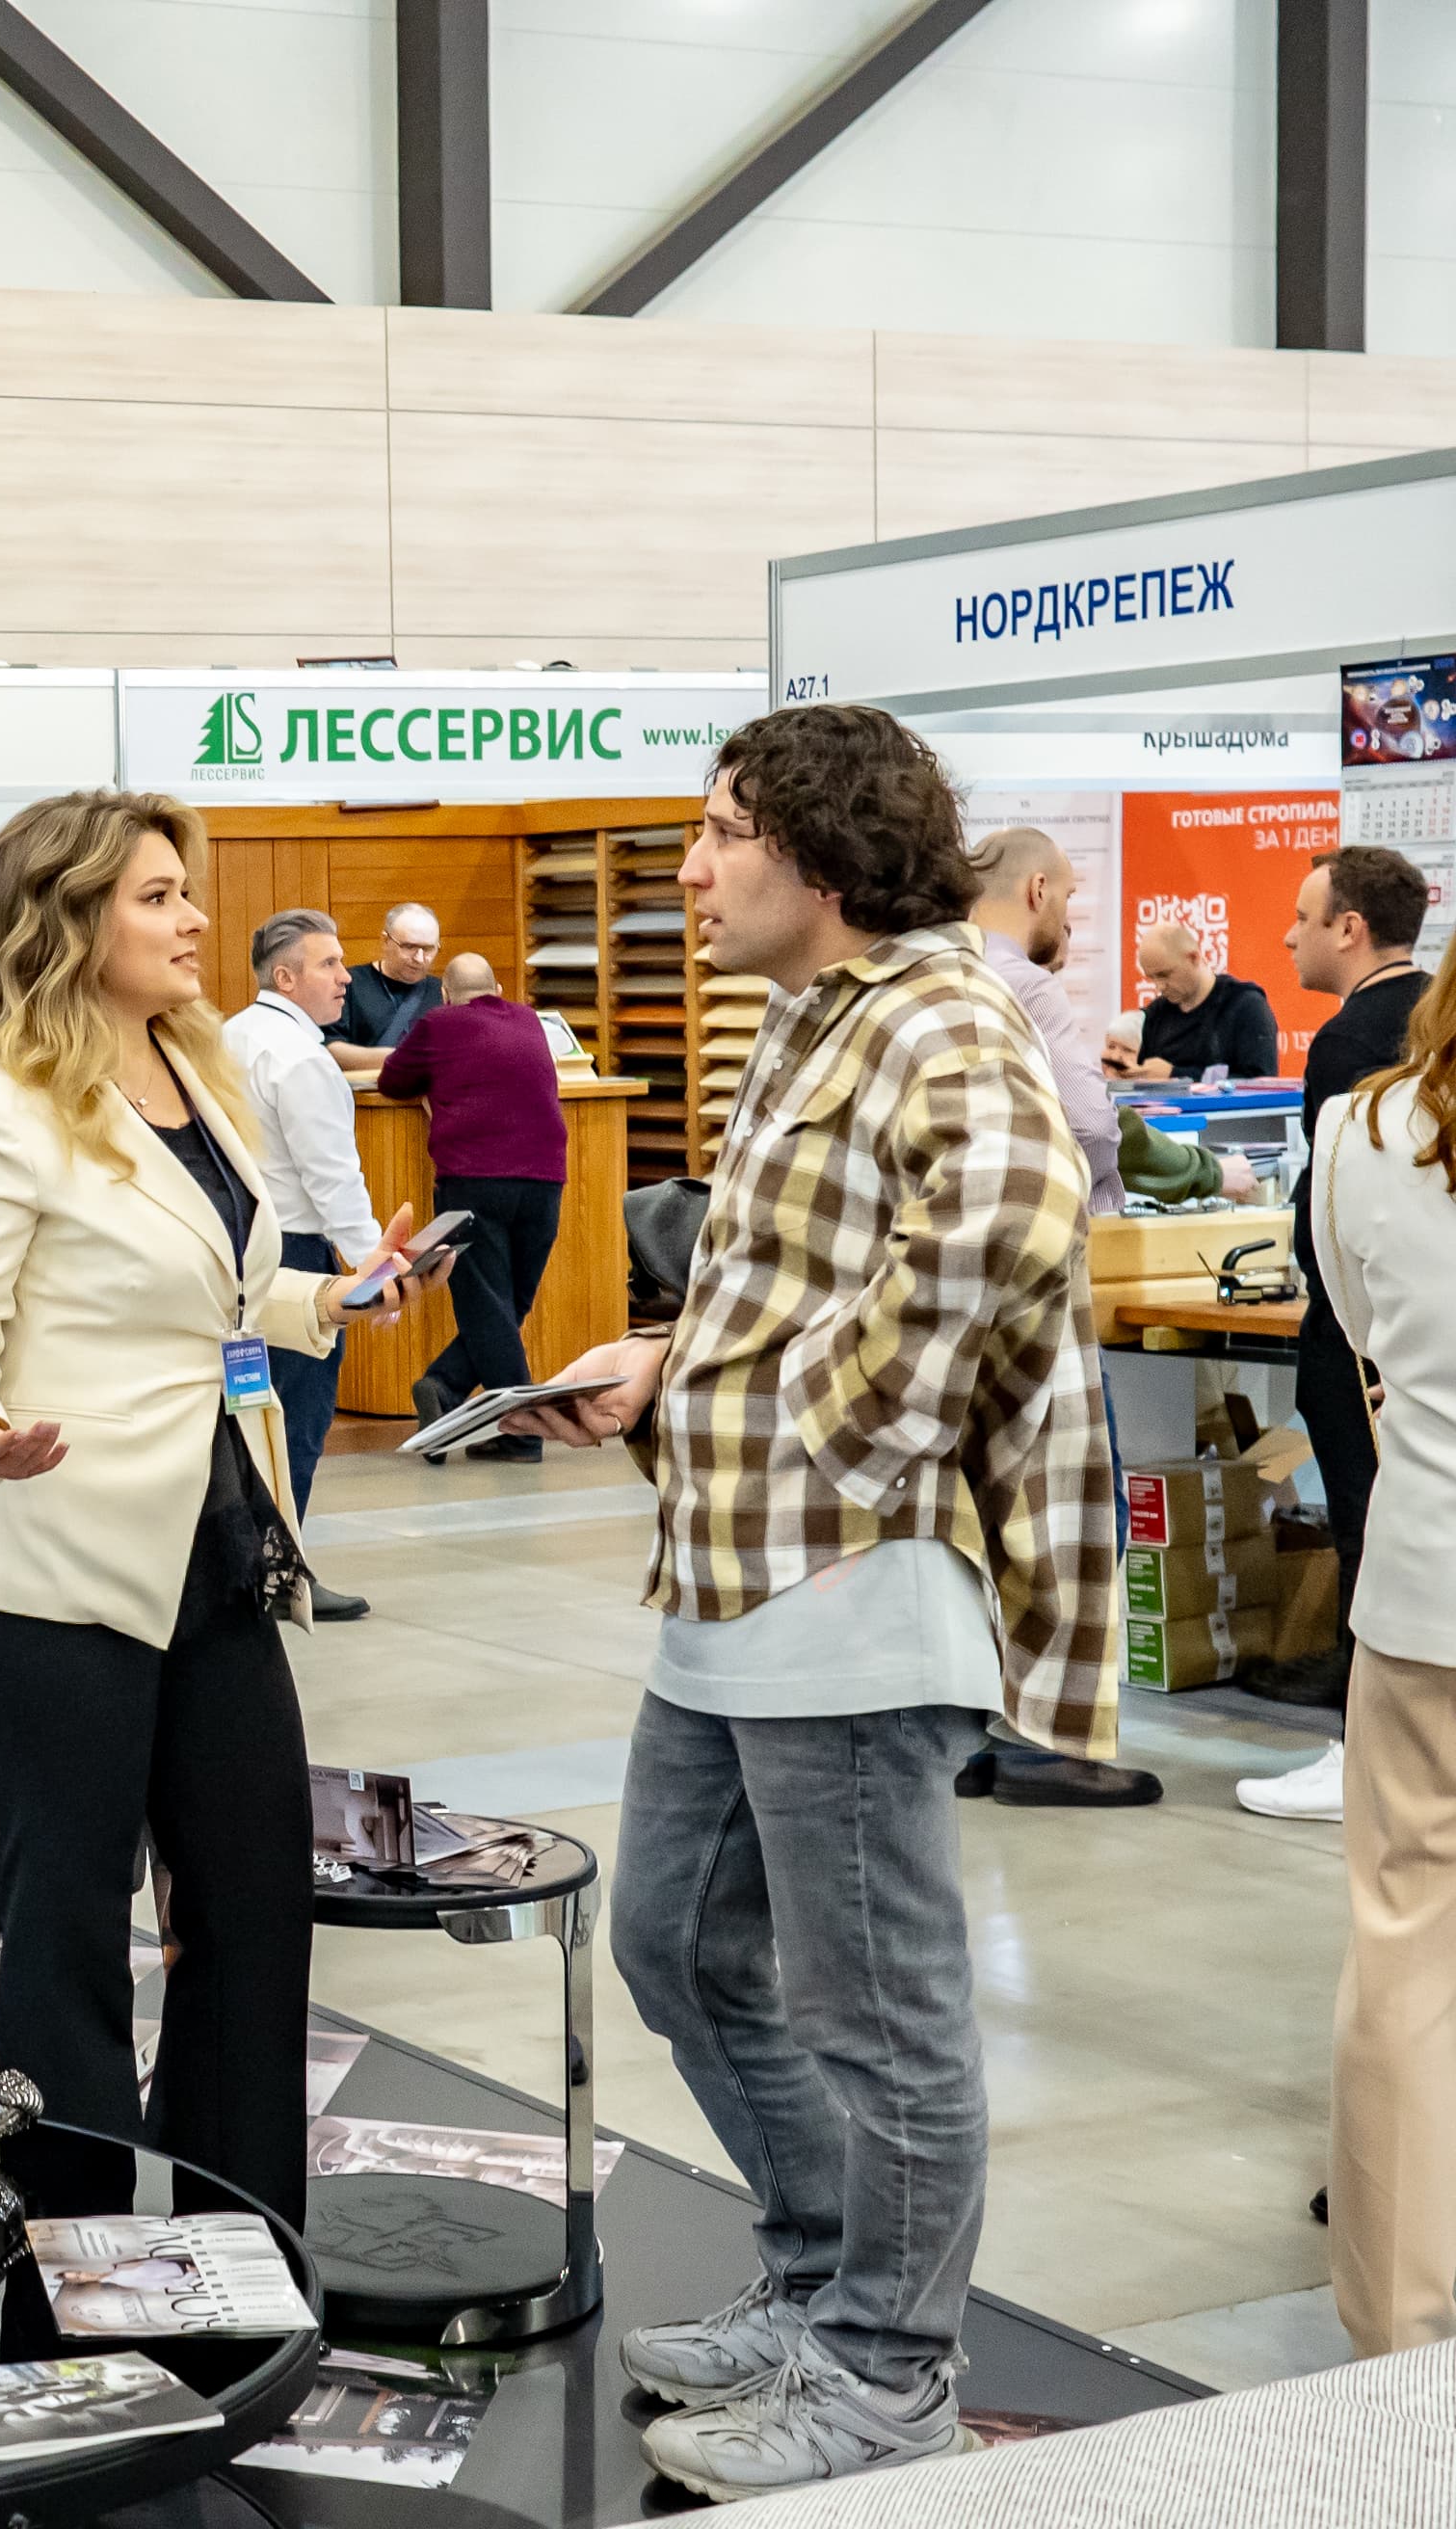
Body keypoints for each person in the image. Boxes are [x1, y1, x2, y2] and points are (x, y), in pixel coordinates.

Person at [507, 705, 1115, 2500]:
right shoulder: (812, 1015)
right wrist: (669, 1359)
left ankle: (885, 2370)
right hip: (735, 1573)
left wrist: (851, 1439)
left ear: (824, 856)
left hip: (844, 1589)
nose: (690, 869)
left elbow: (1012, 1219)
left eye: (719, 832)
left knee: (879, 2012)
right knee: (678, 1941)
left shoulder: (935, 1011)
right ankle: (820, 2280)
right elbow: (801, 1273)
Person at [0, 789, 430, 2220]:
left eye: (184, 891)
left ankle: (239, 2226)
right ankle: (76, 2238)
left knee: (253, 1900)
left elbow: (220, 1295)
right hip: (52, 1562)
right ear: (66, 921)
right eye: (155, 896)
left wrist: (333, 1298)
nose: (195, 919)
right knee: (72, 1922)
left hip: (218, 1544)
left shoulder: (199, 1073)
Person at [1303, 950, 1456, 2356]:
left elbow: (1364, 1342)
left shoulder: (1360, 1129)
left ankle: (1403, 2339)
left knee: (1407, 1948)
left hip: (1426, 1591)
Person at [953, 830, 1162, 1808]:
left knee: (964, 1513)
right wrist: (1100, 1193)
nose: (1069, 918)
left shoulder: (928, 976)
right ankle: (1048, 1740)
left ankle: (964, 1731)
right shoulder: (1025, 988)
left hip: (944, 1283)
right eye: (1069, 898)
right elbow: (1087, 1122)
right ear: (1036, 888)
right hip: (1035, 1285)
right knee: (1071, 1511)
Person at [1252, 843, 1436, 1747]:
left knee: (1365, 1514)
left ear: (1350, 928)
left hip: (1361, 1332)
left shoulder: (1349, 1043)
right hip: (1416, 1319)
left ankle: (1360, 1710)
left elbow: (1336, 1209)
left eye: (1303, 918)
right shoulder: (1433, 1017)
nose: (1289, 938)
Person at [223, 909, 381, 1614]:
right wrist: (376, 1272)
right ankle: (283, 1581)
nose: (346, 978)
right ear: (285, 978)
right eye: (329, 964)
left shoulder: (229, 1037)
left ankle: (242, 1572)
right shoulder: (302, 1060)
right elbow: (333, 1180)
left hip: (234, 1249)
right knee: (295, 1425)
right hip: (297, 1256)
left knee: (245, 1415)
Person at [379, 955, 566, 1462]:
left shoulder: (439, 1023)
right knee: (508, 1304)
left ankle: (520, 1430)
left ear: (444, 994)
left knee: (488, 1305)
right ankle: (445, 1386)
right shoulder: (529, 1019)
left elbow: (393, 1080)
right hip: (545, 1179)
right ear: (499, 989)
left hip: (474, 1180)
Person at [1132, 921, 1280, 1080]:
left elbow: (1261, 1084)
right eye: (1151, 978)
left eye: (1164, 975)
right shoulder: (1156, 1015)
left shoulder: (1246, 1007)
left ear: (1194, 958)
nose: (1159, 986)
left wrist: (1176, 1075)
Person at [322, 901, 443, 1079]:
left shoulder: (443, 990)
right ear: (385, 940)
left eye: (428, 949)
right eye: (409, 947)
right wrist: (405, 1057)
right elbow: (330, 1048)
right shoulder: (347, 984)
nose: (419, 958)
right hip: (363, 1095)